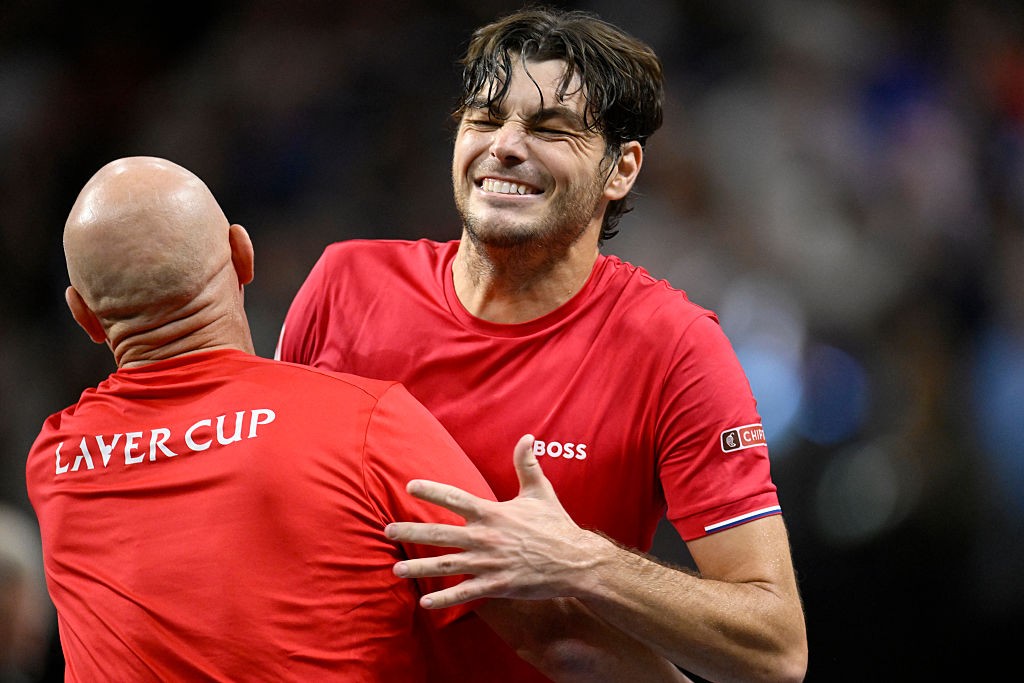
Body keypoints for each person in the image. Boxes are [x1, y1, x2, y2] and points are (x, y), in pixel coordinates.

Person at [275, 6, 808, 683]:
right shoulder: (343, 285)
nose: (505, 145)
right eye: (485, 119)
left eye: (550, 128)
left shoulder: (675, 347)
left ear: (621, 170)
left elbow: (776, 648)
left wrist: (581, 561)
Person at [25, 156, 689, 682]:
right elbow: (557, 636)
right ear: (242, 254)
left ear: (84, 315)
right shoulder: (364, 420)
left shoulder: (53, 462)